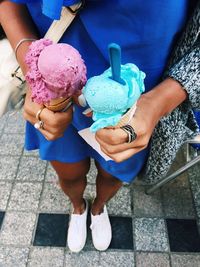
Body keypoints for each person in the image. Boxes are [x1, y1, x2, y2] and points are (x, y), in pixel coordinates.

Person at [0, 0, 199, 253]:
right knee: (69, 173)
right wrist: (34, 69)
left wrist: (161, 100)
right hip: (55, 95)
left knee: (112, 172)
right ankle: (78, 207)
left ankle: (99, 206)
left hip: (138, 99)